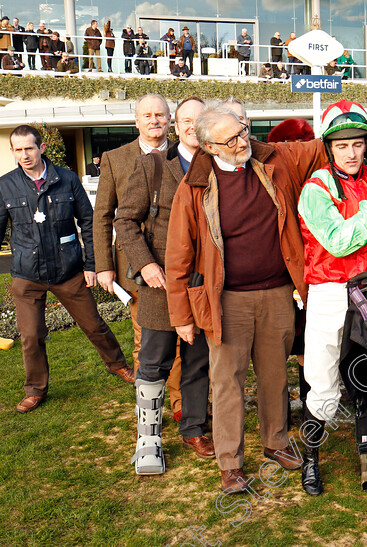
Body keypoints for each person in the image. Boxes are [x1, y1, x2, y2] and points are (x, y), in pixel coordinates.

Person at [164, 97, 367, 492]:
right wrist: (181, 315)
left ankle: (276, 443)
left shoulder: (274, 158)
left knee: (276, 376)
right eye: (232, 140)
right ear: (210, 148)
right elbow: (178, 252)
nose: (242, 141)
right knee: (228, 381)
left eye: (242, 131)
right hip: (227, 299)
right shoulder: (195, 185)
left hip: (277, 292)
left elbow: (328, 142)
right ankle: (231, 463)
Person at [0, 125, 135, 414]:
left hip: (69, 272)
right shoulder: (6, 186)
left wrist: (92, 265)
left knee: (94, 325)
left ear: (41, 148)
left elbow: (89, 223)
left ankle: (119, 366)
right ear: (12, 151)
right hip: (27, 275)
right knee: (31, 335)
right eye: (18, 150)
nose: (24, 155)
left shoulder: (67, 179)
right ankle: (35, 390)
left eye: (29, 148)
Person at [297, 100, 367, 496]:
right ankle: (311, 463)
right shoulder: (316, 189)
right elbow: (339, 242)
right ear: (329, 149)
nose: (352, 152)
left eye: (358, 144)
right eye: (342, 146)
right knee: (322, 384)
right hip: (330, 291)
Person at [115, 98, 214, 474]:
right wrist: (145, 263)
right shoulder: (152, 166)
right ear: (176, 125)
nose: (192, 126)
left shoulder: (219, 165)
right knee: (153, 363)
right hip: (160, 286)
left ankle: (193, 428)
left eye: (198, 120)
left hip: (203, 286)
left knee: (197, 361)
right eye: (186, 120)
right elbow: (124, 221)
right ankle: (149, 439)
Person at [94, 94, 171, 374]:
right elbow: (103, 214)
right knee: (145, 335)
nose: (154, 120)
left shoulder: (185, 155)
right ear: (136, 121)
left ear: (169, 120)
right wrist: (103, 266)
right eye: (147, 116)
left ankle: (182, 401)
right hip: (133, 264)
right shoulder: (115, 159)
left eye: (160, 115)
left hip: (177, 259)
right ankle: (147, 406)